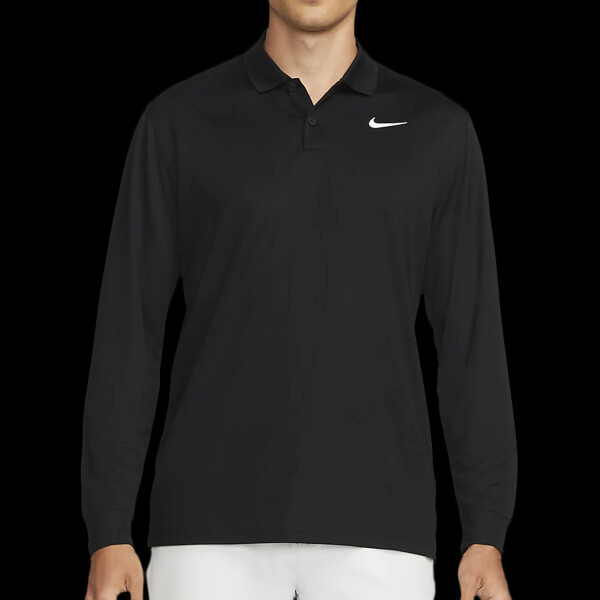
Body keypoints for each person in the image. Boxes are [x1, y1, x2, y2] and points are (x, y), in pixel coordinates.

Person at [81, 1, 518, 599]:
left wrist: (485, 530)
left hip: (382, 534)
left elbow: (471, 342)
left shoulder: (438, 130)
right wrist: (108, 528)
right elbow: (129, 331)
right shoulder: (179, 120)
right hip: (205, 535)